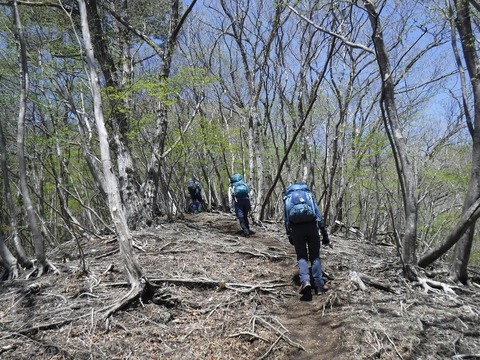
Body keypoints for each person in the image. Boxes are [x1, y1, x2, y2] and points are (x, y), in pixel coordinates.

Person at [283, 181, 330, 297]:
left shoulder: (288, 198)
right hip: (311, 227)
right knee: (315, 256)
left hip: (296, 229)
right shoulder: (308, 196)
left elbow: (286, 218)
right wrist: (324, 233)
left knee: (302, 256)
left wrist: (289, 234)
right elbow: (317, 214)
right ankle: (319, 285)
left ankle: (305, 281)